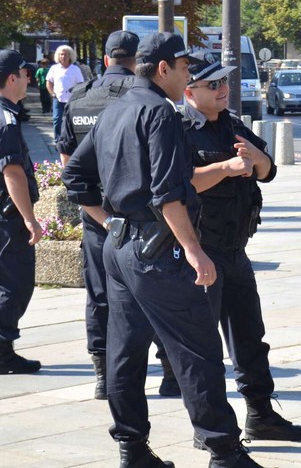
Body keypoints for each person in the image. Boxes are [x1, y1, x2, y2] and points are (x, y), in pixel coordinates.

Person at [61, 32, 263, 467]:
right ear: (164, 69)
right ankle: (224, 451)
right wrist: (194, 249)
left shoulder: (113, 111)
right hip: (157, 248)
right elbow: (169, 192)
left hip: (118, 248)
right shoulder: (161, 114)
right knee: (196, 349)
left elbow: (75, 176)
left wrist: (110, 222)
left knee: (125, 351)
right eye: (186, 67)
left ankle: (132, 449)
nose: (189, 74)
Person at [159, 51, 301, 444]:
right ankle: (208, 427)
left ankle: (261, 415)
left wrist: (258, 159)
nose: (224, 89)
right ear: (190, 91)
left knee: (250, 337)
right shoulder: (177, 129)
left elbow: (268, 170)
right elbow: (179, 186)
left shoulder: (232, 124)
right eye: (214, 84)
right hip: (200, 251)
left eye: (225, 82)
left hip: (235, 251)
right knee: (202, 346)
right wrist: (224, 169)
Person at [57, 30, 139, 400]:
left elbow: (67, 162)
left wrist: (92, 206)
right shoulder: (143, 99)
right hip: (138, 213)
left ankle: (104, 376)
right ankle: (169, 373)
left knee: (100, 293)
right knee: (154, 291)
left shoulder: (78, 99)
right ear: (136, 62)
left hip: (96, 214)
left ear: (105, 59)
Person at [0, 50, 42, 375]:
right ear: (12, 78)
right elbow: (12, 172)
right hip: (7, 219)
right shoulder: (7, 119)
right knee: (14, 286)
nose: (29, 79)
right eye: (25, 74)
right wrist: (29, 219)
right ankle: (2, 352)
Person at [46, 45, 85, 142]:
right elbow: (49, 82)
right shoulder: (54, 68)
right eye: (61, 54)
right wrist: (52, 93)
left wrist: (77, 96)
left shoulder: (75, 69)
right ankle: (57, 140)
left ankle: (71, 140)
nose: (63, 57)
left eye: (65, 54)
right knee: (57, 120)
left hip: (71, 100)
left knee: (71, 121)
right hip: (58, 99)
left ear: (70, 56)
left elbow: (80, 84)